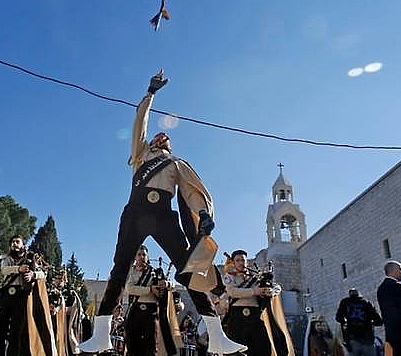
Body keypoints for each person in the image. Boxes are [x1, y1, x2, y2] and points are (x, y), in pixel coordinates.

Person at [79, 70, 245, 355]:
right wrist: (150, 93)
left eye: (165, 137)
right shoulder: (140, 155)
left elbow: (194, 190)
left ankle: (217, 336)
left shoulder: (176, 164)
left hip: (163, 217)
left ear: (169, 145)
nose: (161, 137)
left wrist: (204, 214)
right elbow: (139, 123)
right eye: (158, 135)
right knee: (119, 269)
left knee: (188, 272)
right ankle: (101, 334)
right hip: (134, 213)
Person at [0, 235, 56, 356]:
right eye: (12, 242)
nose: (14, 244)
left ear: (23, 244)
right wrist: (18, 269)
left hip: (21, 297)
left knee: (16, 332)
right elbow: (4, 270)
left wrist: (33, 274)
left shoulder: (31, 257)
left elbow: (43, 274)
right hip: (6, 295)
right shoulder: (7, 257)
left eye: (17, 242)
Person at [223, 249, 293, 356]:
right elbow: (232, 292)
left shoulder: (255, 276)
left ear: (247, 262)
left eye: (243, 260)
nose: (241, 263)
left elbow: (276, 287)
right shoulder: (230, 276)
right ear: (233, 262)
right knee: (237, 349)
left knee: (262, 347)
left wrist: (271, 292)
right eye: (238, 260)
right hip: (237, 316)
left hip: (255, 315)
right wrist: (254, 291)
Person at [123, 245, 180, 356]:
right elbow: (129, 289)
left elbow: (173, 286)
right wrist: (150, 289)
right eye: (139, 254)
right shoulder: (131, 272)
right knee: (132, 345)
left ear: (147, 257)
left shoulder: (156, 272)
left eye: (144, 254)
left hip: (151, 312)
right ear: (135, 257)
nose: (141, 257)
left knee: (150, 346)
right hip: (135, 311)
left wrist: (167, 284)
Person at [335, 287, 383, 356]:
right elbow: (378, 321)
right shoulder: (367, 303)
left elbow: (338, 318)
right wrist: (369, 323)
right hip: (368, 339)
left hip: (352, 339)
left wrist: (346, 323)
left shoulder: (345, 302)